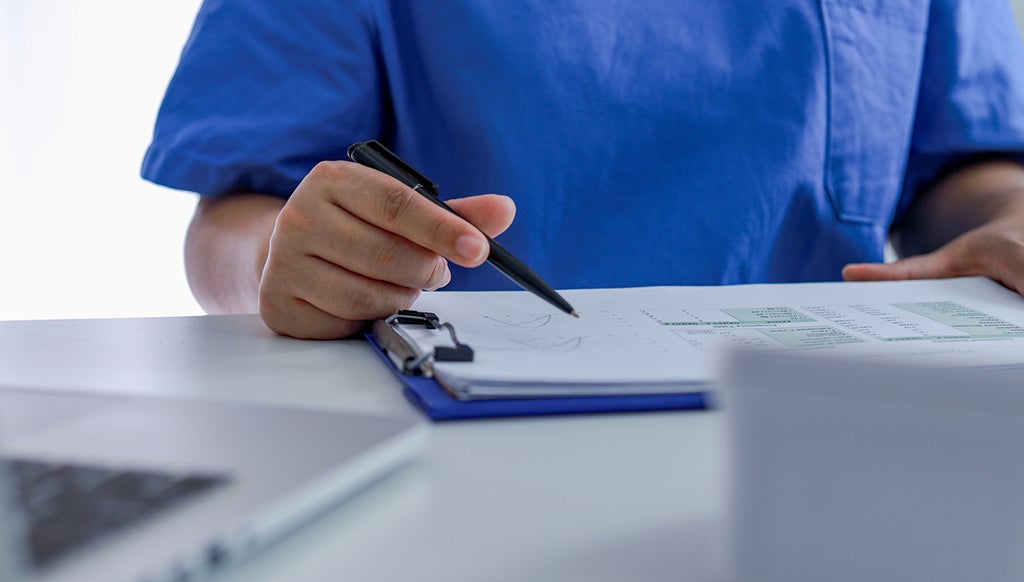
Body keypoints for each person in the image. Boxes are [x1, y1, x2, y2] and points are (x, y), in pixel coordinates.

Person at [142, 0, 1024, 340]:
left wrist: (1010, 221)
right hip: (458, 445)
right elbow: (238, 211)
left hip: (837, 430)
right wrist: (276, 264)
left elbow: (964, 162)